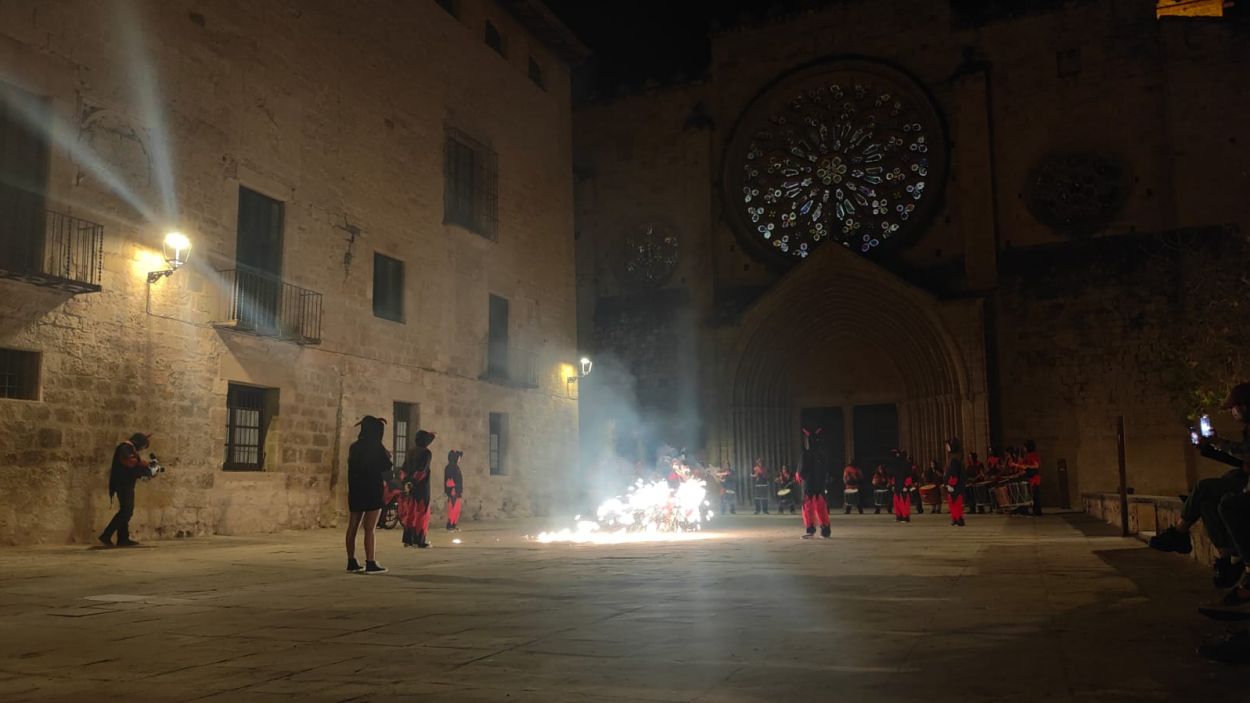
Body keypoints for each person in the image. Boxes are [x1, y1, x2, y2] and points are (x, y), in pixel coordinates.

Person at [1153, 382, 1250, 590]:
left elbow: (1245, 456)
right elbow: (1242, 461)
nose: (1232, 412)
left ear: (1244, 406)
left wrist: (1218, 443)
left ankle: (1180, 533)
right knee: (1206, 502)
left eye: (1234, 407)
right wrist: (1210, 448)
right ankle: (1225, 561)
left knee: (1207, 490)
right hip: (1242, 479)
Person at [346, 417, 390, 573]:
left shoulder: (354, 447)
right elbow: (386, 466)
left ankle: (351, 560)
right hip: (372, 489)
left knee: (352, 526)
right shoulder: (376, 447)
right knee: (369, 528)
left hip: (356, 489)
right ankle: (370, 561)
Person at [98, 432, 156, 547]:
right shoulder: (125, 447)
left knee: (126, 510)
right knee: (126, 510)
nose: (142, 449)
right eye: (143, 445)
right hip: (122, 484)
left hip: (126, 483)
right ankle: (106, 535)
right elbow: (130, 462)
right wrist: (143, 464)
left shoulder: (129, 448)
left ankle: (123, 539)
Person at [399, 429, 436, 548]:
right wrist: (414, 482)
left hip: (410, 487)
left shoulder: (410, 451)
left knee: (410, 513)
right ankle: (420, 540)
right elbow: (422, 471)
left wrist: (406, 482)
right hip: (421, 487)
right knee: (421, 513)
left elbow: (403, 469)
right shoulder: (426, 453)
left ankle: (408, 540)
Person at [799, 428, 831, 538]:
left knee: (808, 507)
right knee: (821, 507)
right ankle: (826, 530)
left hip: (808, 484)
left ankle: (810, 530)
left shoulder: (805, 454)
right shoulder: (823, 454)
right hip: (820, 484)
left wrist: (801, 479)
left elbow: (801, 473)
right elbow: (826, 470)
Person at [945, 437, 967, 527]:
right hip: (953, 486)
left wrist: (951, 484)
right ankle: (955, 519)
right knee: (952, 503)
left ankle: (958, 519)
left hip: (955, 486)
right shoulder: (953, 459)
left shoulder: (954, 460)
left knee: (956, 503)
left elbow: (954, 474)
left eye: (948, 445)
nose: (946, 447)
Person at [889, 448, 914, 523]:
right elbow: (894, 475)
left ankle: (905, 517)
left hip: (903, 486)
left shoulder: (906, 464)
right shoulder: (896, 464)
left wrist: (906, 486)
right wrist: (893, 484)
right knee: (897, 501)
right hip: (897, 485)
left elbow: (908, 476)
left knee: (904, 502)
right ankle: (899, 516)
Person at [444, 450, 464, 531]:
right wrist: (453, 489)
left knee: (456, 508)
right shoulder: (450, 467)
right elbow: (450, 480)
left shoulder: (455, 467)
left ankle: (454, 524)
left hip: (456, 490)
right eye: (458, 457)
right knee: (453, 508)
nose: (459, 459)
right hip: (453, 490)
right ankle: (450, 525)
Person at [1021, 440, 1042, 516]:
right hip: (1033, 477)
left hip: (1034, 478)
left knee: (1035, 495)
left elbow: (1036, 466)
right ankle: (1036, 510)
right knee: (1035, 495)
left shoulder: (1032, 455)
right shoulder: (1030, 455)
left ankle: (1037, 511)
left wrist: (1027, 467)